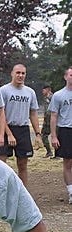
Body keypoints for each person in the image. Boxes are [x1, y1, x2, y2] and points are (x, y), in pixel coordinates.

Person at [0, 64, 43, 186]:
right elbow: (1, 114)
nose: (20, 75)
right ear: (12, 73)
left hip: (23, 130)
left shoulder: (30, 92)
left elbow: (33, 113)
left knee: (22, 165)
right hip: (7, 129)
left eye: (23, 73)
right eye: (18, 73)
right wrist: (9, 134)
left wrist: (38, 133)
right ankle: (1, 192)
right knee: (1, 164)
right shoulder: (3, 91)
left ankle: (23, 195)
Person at [49, 66, 72, 204]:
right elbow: (53, 116)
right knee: (68, 162)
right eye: (71, 75)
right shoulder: (58, 95)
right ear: (65, 77)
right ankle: (71, 191)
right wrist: (53, 136)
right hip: (66, 130)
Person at [41, 85, 53, 158]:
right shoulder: (46, 98)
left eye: (44, 90)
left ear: (48, 89)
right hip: (47, 120)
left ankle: (54, 153)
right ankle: (49, 151)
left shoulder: (53, 97)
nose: (42, 92)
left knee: (55, 136)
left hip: (52, 120)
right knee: (44, 135)